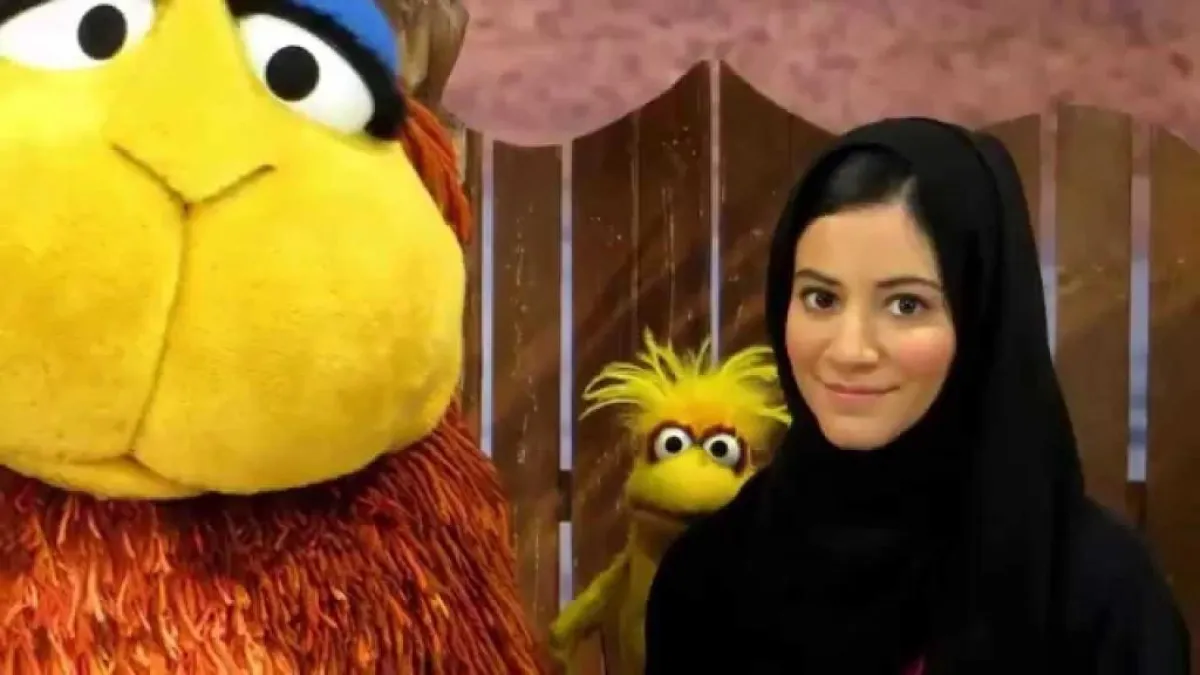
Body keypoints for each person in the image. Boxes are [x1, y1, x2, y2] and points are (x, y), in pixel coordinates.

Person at [642, 118, 1191, 674]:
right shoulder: (708, 579)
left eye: (906, 305)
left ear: (979, 317)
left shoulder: (1099, 600)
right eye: (821, 298)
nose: (850, 350)